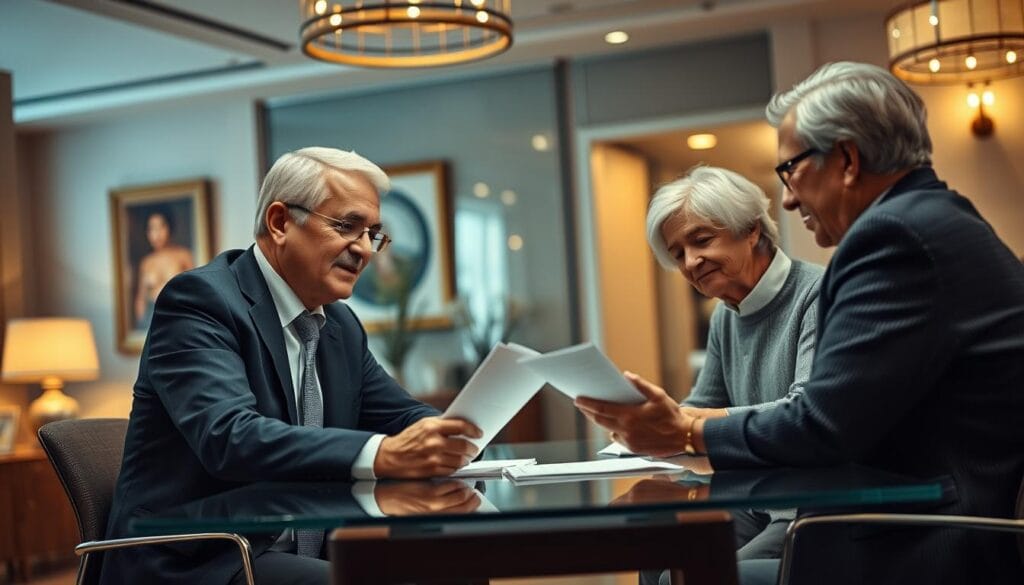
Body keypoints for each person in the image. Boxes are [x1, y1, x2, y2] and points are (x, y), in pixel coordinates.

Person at [577, 62, 1024, 585]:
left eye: (790, 170)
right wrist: (680, 424)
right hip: (895, 513)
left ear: (848, 160)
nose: (786, 198)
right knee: (667, 551)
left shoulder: (895, 239)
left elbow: (820, 425)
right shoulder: (932, 219)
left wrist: (687, 429)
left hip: (922, 538)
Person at [102, 147, 482, 585]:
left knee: (457, 568)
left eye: (373, 234)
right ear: (280, 222)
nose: (364, 250)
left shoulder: (339, 324)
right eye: (347, 227)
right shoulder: (200, 301)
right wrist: (384, 454)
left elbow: (402, 415)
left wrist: (453, 437)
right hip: (201, 558)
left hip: (296, 554)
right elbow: (230, 437)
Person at [642, 165, 822, 568]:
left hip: (808, 508)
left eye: (701, 240)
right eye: (677, 254)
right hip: (751, 498)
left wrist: (683, 423)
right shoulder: (726, 314)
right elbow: (704, 401)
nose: (690, 262)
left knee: (701, 575)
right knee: (657, 558)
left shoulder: (817, 295)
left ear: (752, 230)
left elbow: (805, 409)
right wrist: (646, 417)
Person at [133, 210, 195, 329]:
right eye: (151, 229)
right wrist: (141, 323)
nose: (157, 234)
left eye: (161, 227)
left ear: (169, 228)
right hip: (151, 317)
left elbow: (194, 288)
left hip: (178, 314)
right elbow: (140, 298)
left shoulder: (183, 255)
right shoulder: (146, 262)